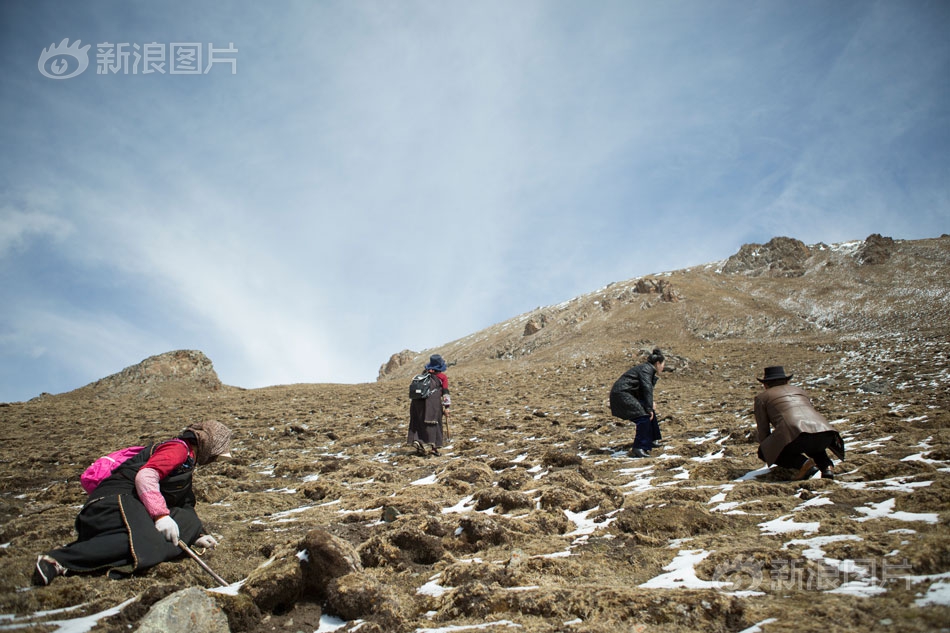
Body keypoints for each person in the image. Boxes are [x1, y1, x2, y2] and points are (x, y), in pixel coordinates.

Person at [32, 420, 233, 586]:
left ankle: (90, 553)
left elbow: (185, 506)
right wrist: (161, 516)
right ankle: (58, 559)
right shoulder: (177, 449)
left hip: (132, 507)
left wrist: (197, 534)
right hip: (115, 501)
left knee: (182, 525)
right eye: (216, 455)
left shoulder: (187, 462)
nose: (214, 460)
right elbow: (146, 476)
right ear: (208, 445)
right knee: (148, 544)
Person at [754, 366, 844, 480]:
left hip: (797, 435)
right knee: (814, 445)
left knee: (763, 451)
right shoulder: (800, 391)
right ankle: (827, 467)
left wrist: (767, 448)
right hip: (826, 433)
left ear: (765, 384)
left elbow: (763, 429)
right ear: (787, 381)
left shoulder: (762, 397)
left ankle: (803, 464)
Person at [609, 348, 665, 458]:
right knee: (643, 417)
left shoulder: (647, 369)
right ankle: (638, 447)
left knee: (649, 411)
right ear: (658, 363)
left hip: (626, 394)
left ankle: (652, 440)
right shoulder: (646, 369)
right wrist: (648, 407)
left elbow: (641, 389)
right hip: (622, 395)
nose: (663, 368)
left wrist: (649, 405)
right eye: (663, 364)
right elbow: (646, 388)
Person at [407, 354, 451, 456]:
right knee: (434, 421)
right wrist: (447, 407)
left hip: (417, 401)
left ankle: (418, 441)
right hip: (432, 401)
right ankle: (434, 448)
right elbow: (445, 392)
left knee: (418, 421)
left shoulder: (423, 374)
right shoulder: (442, 377)